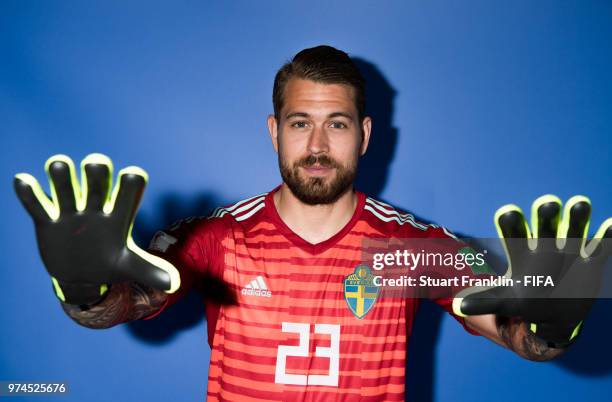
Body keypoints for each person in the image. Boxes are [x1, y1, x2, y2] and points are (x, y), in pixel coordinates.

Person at [14, 45, 611, 401]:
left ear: (365, 135)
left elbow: (511, 329)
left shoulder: (411, 247)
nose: (318, 145)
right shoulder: (217, 237)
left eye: (338, 124)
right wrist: (85, 292)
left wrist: (549, 331)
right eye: (300, 123)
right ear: (275, 132)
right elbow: (130, 301)